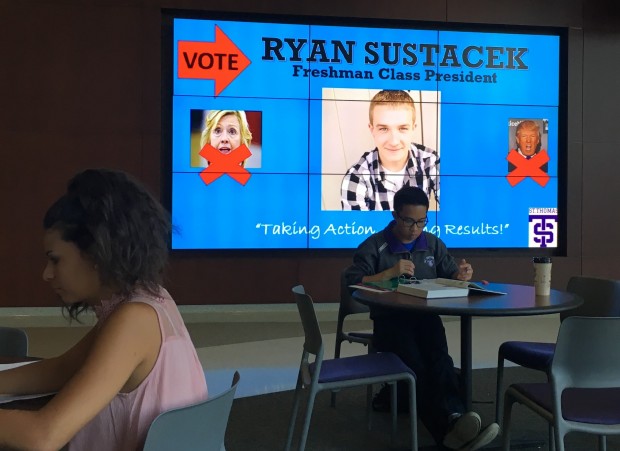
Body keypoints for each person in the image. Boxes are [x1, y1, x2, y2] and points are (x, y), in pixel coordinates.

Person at [0, 169, 208, 450]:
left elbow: (43, 436)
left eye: (56, 260)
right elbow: (64, 368)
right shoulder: (150, 298)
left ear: (97, 253)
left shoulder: (133, 320)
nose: (47, 274)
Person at [344, 185, 499, 450]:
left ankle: (457, 417)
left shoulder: (432, 243)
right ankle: (448, 431)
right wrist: (388, 273)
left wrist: (461, 276)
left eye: (421, 221)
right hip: (390, 321)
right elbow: (352, 282)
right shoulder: (375, 245)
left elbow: (451, 274)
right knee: (417, 366)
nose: (415, 228)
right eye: (408, 221)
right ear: (395, 215)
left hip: (425, 318)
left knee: (440, 359)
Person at [341, 90, 439, 211]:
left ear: (413, 128)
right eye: (383, 129)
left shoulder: (432, 161)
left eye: (403, 128)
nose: (394, 141)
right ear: (372, 130)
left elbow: (456, 212)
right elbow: (356, 229)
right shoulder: (355, 178)